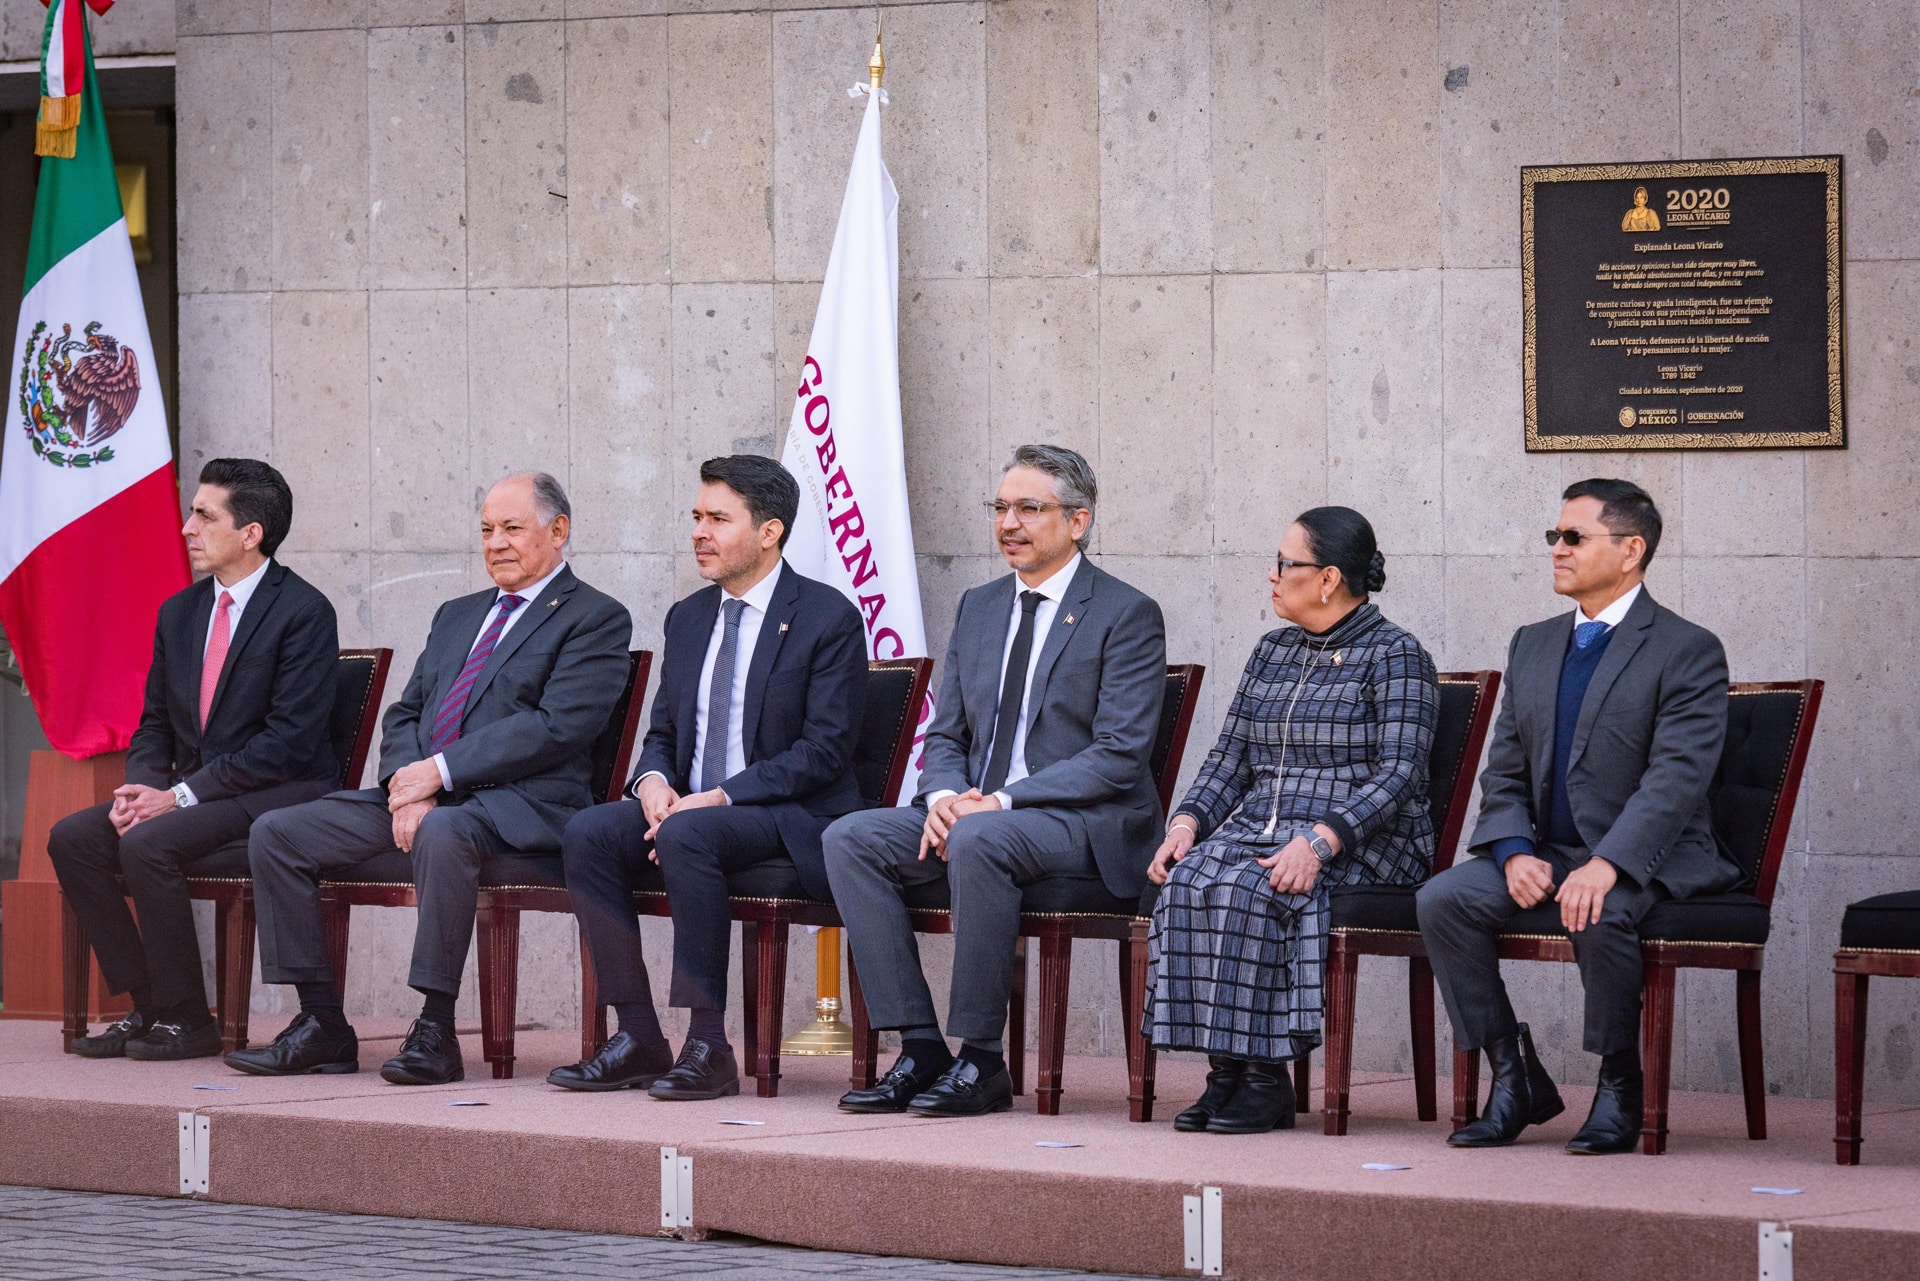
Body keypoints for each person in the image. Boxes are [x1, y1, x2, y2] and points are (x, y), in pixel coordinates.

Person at [228, 473, 631, 1084]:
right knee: (279, 833)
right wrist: (404, 786)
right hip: (427, 794)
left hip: (523, 806)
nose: (495, 543)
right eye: (487, 530)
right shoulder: (457, 614)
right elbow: (407, 712)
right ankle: (321, 1023)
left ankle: (435, 1029)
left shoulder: (594, 618)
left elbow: (557, 727)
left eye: (512, 528)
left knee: (444, 831)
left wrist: (438, 777)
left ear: (559, 531)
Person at [824, 444, 1166, 1118]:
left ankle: (982, 1058)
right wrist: (946, 797)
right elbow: (945, 732)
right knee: (850, 838)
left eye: (1029, 508)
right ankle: (921, 1045)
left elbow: (1120, 754)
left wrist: (999, 800)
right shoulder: (979, 606)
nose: (1010, 521)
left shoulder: (1125, 613)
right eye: (1002, 507)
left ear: (1078, 520)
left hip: (1084, 822)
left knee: (982, 838)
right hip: (982, 813)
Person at [1417, 478, 1735, 1155]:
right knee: (1444, 898)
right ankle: (1514, 1072)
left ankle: (1620, 1080)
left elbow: (1676, 780)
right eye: (1553, 537)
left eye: (1574, 537)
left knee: (1602, 906)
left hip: (1650, 855)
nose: (1556, 549)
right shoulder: (1533, 643)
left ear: (1630, 551)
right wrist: (1511, 851)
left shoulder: (1687, 648)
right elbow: (1503, 767)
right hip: (1548, 851)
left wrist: (1607, 862)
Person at [547, 456, 867, 1101]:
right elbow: (664, 729)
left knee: (692, 834)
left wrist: (718, 796)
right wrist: (654, 782)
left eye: (718, 519)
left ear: (770, 531)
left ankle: (708, 1043)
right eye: (697, 517)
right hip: (695, 807)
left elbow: (824, 752)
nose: (700, 531)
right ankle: (637, 1032)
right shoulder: (689, 617)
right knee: (588, 831)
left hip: (786, 813)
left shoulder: (826, 617)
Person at [1144, 508, 1438, 1134]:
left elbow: (1401, 775)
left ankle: (1264, 1078)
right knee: (1190, 878)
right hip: (1267, 830)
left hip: (1369, 839)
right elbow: (1229, 757)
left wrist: (1322, 840)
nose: (1272, 575)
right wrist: (1185, 827)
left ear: (1328, 577)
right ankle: (1224, 1072)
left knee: (1257, 885)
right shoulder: (1272, 650)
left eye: (1285, 564)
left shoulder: (1396, 654)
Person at [50, 459, 339, 1061]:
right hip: (194, 791)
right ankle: (149, 1003)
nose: (187, 528)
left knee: (147, 843)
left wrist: (178, 797)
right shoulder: (180, 612)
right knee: (73, 837)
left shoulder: (304, 613)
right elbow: (154, 723)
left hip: (279, 790)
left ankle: (189, 1019)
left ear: (251, 533)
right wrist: (140, 789)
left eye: (205, 515)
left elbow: (287, 742)